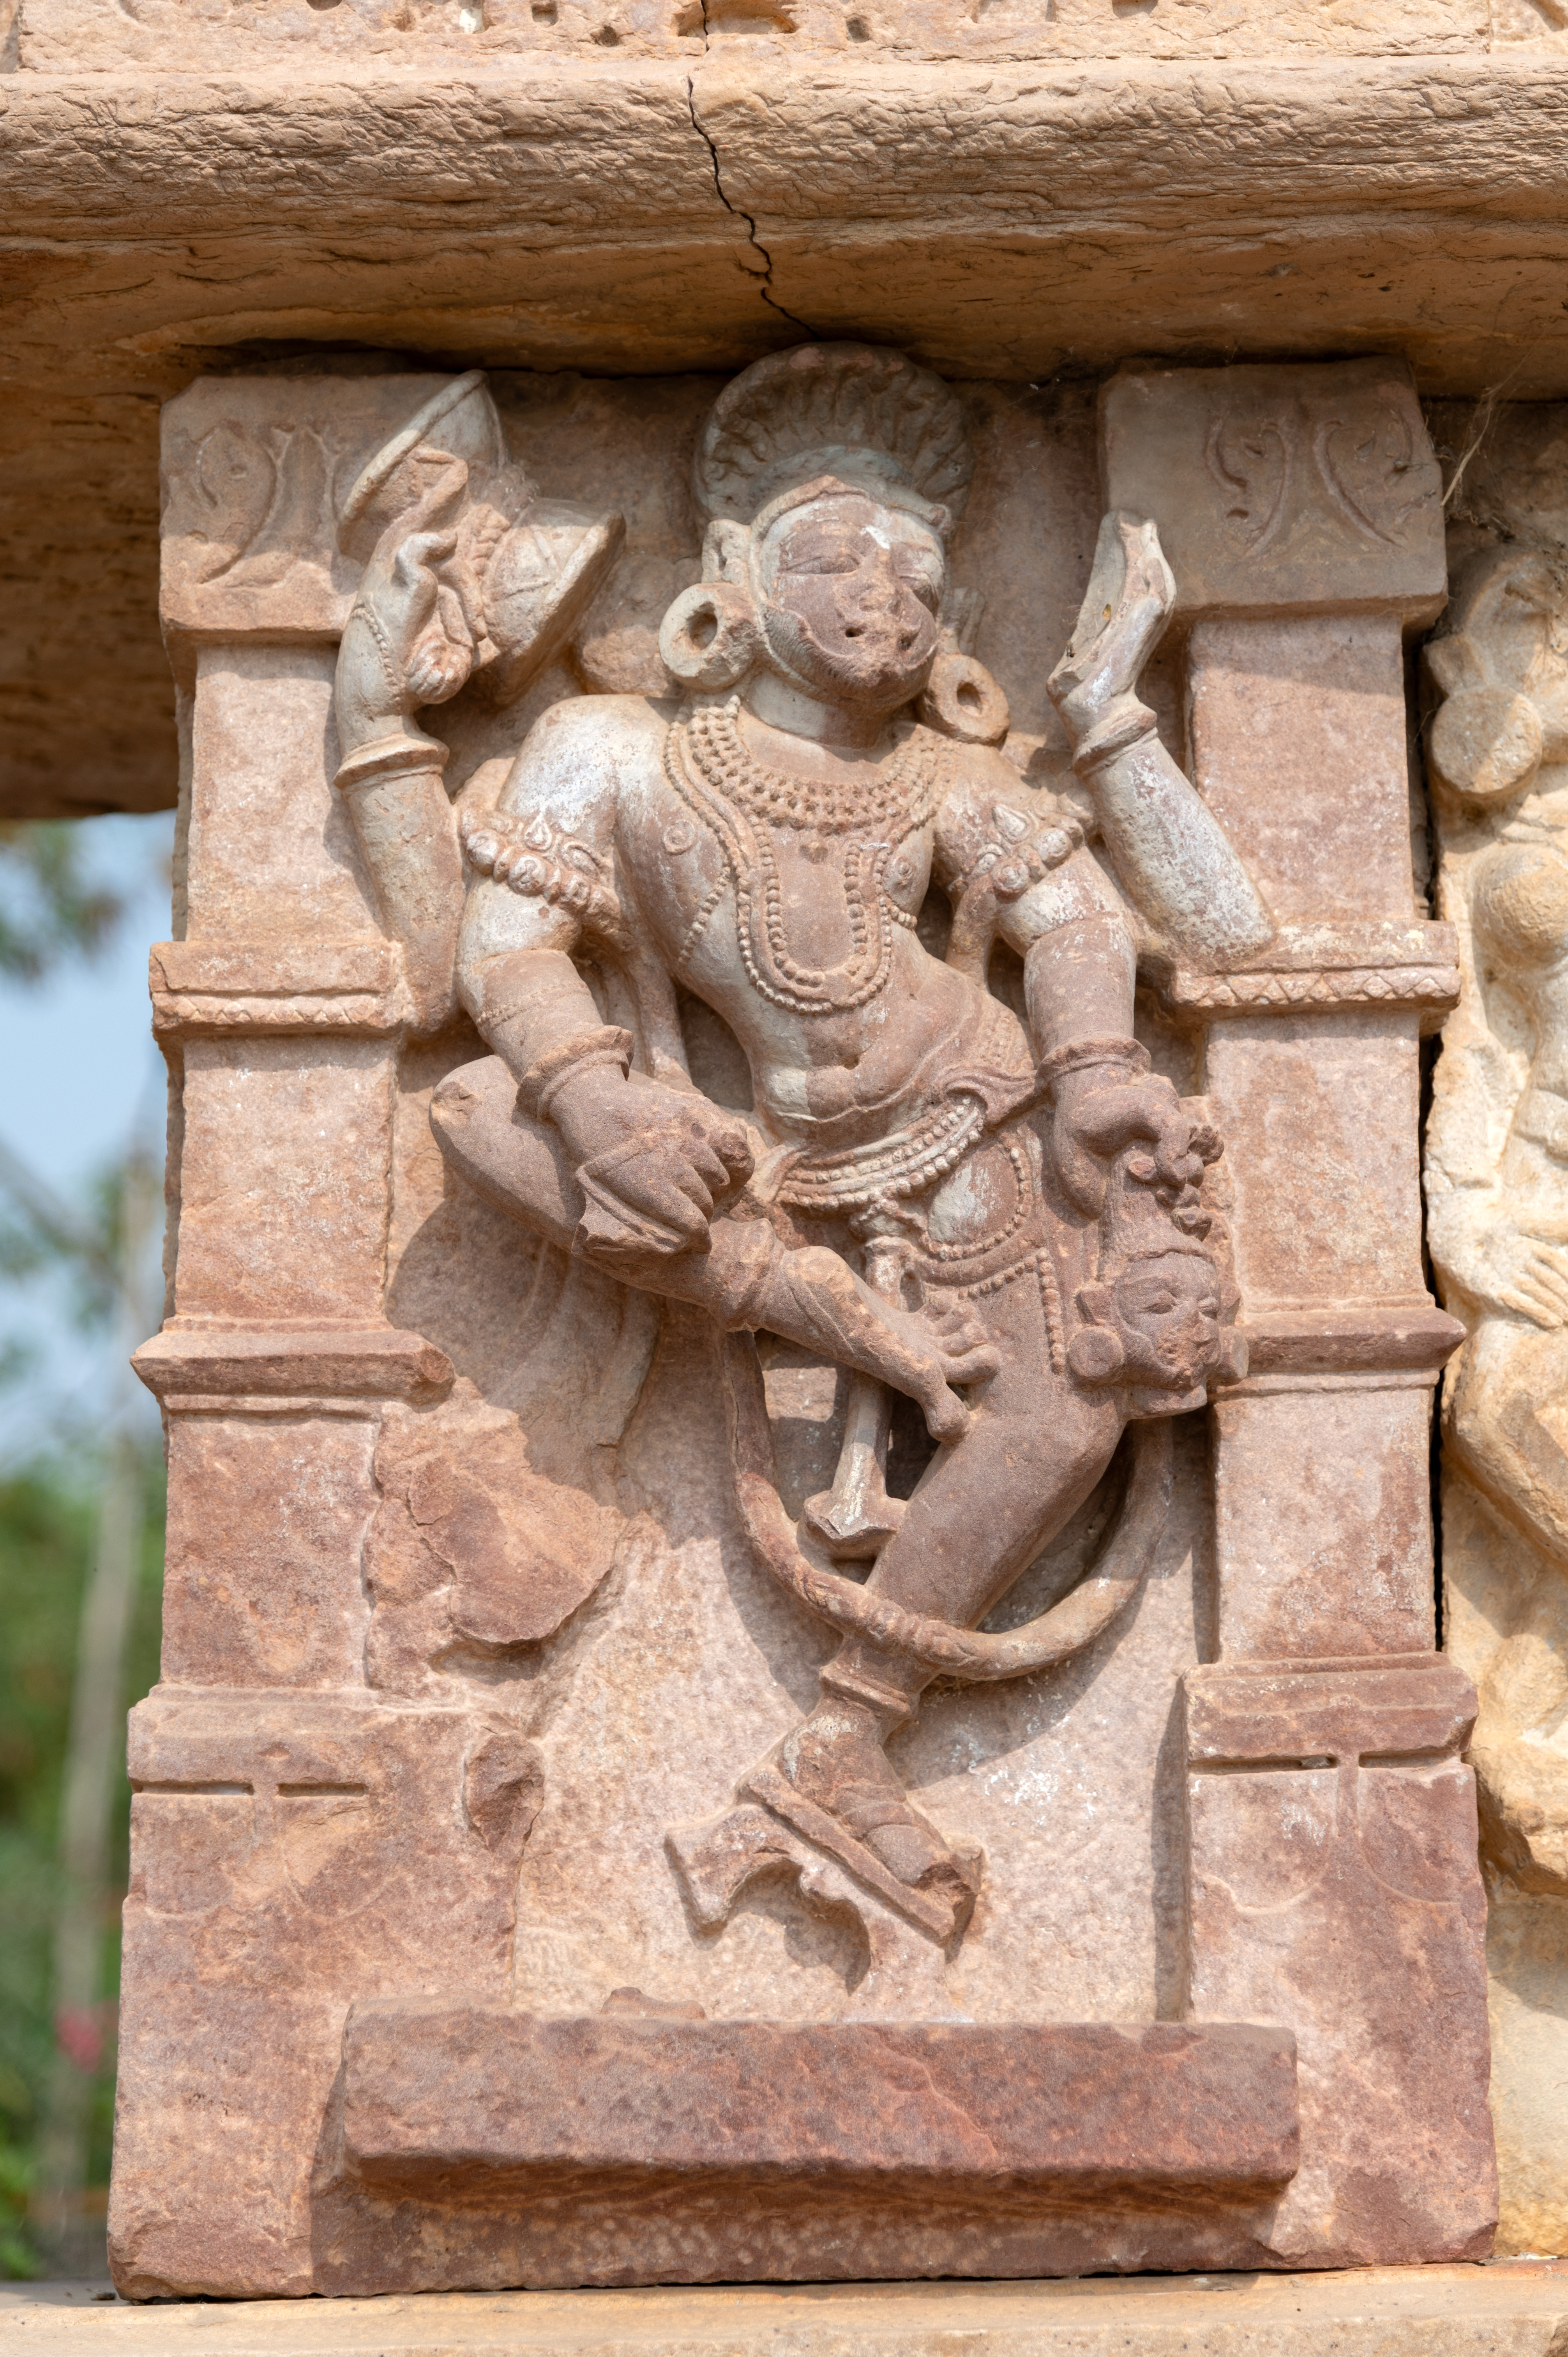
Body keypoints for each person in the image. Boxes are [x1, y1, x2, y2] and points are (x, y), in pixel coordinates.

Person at [343, 343, 1272, 1915]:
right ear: (728, 576)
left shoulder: (941, 775)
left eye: (922, 569)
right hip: (747, 1151)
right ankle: (808, 1315)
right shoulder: (616, 754)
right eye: (838, 554)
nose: (885, 595)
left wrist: (1102, 1065)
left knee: (1062, 1413)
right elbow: (499, 956)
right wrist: (600, 1096)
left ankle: (843, 1741)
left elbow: (1072, 921)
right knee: (493, 1121)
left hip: (980, 1114)